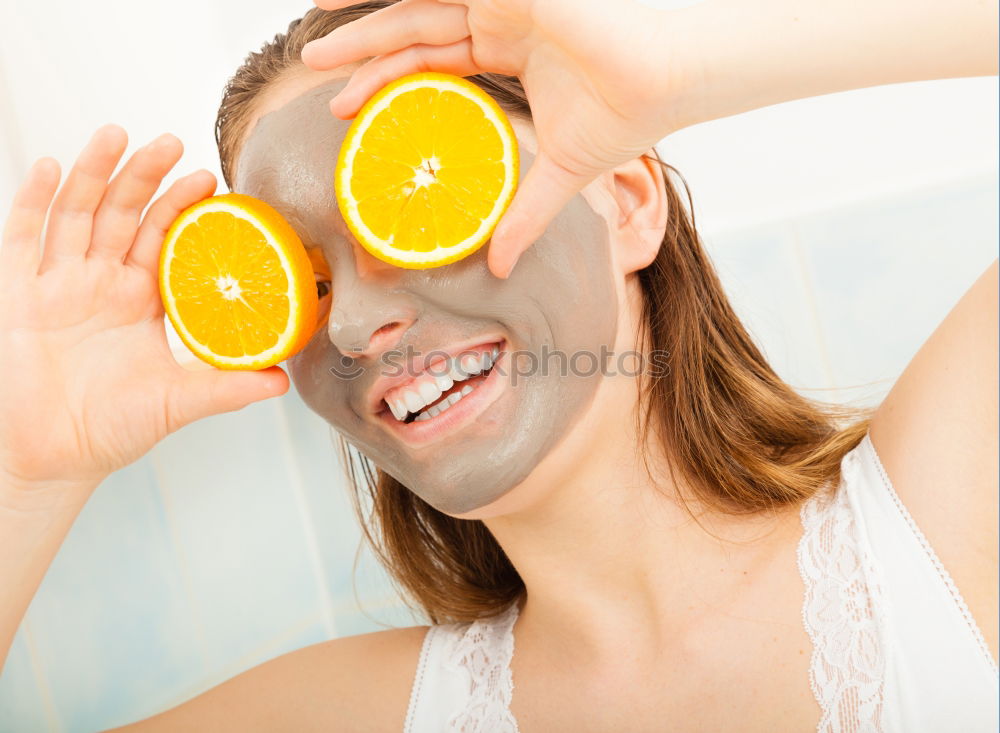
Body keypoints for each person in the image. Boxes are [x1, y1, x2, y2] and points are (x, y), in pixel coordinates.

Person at [0, 0, 996, 730]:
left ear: (628, 200)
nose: (352, 328)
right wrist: (23, 472)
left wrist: (679, 69)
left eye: (418, 210)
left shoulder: (948, 531)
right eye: (301, 282)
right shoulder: (357, 716)